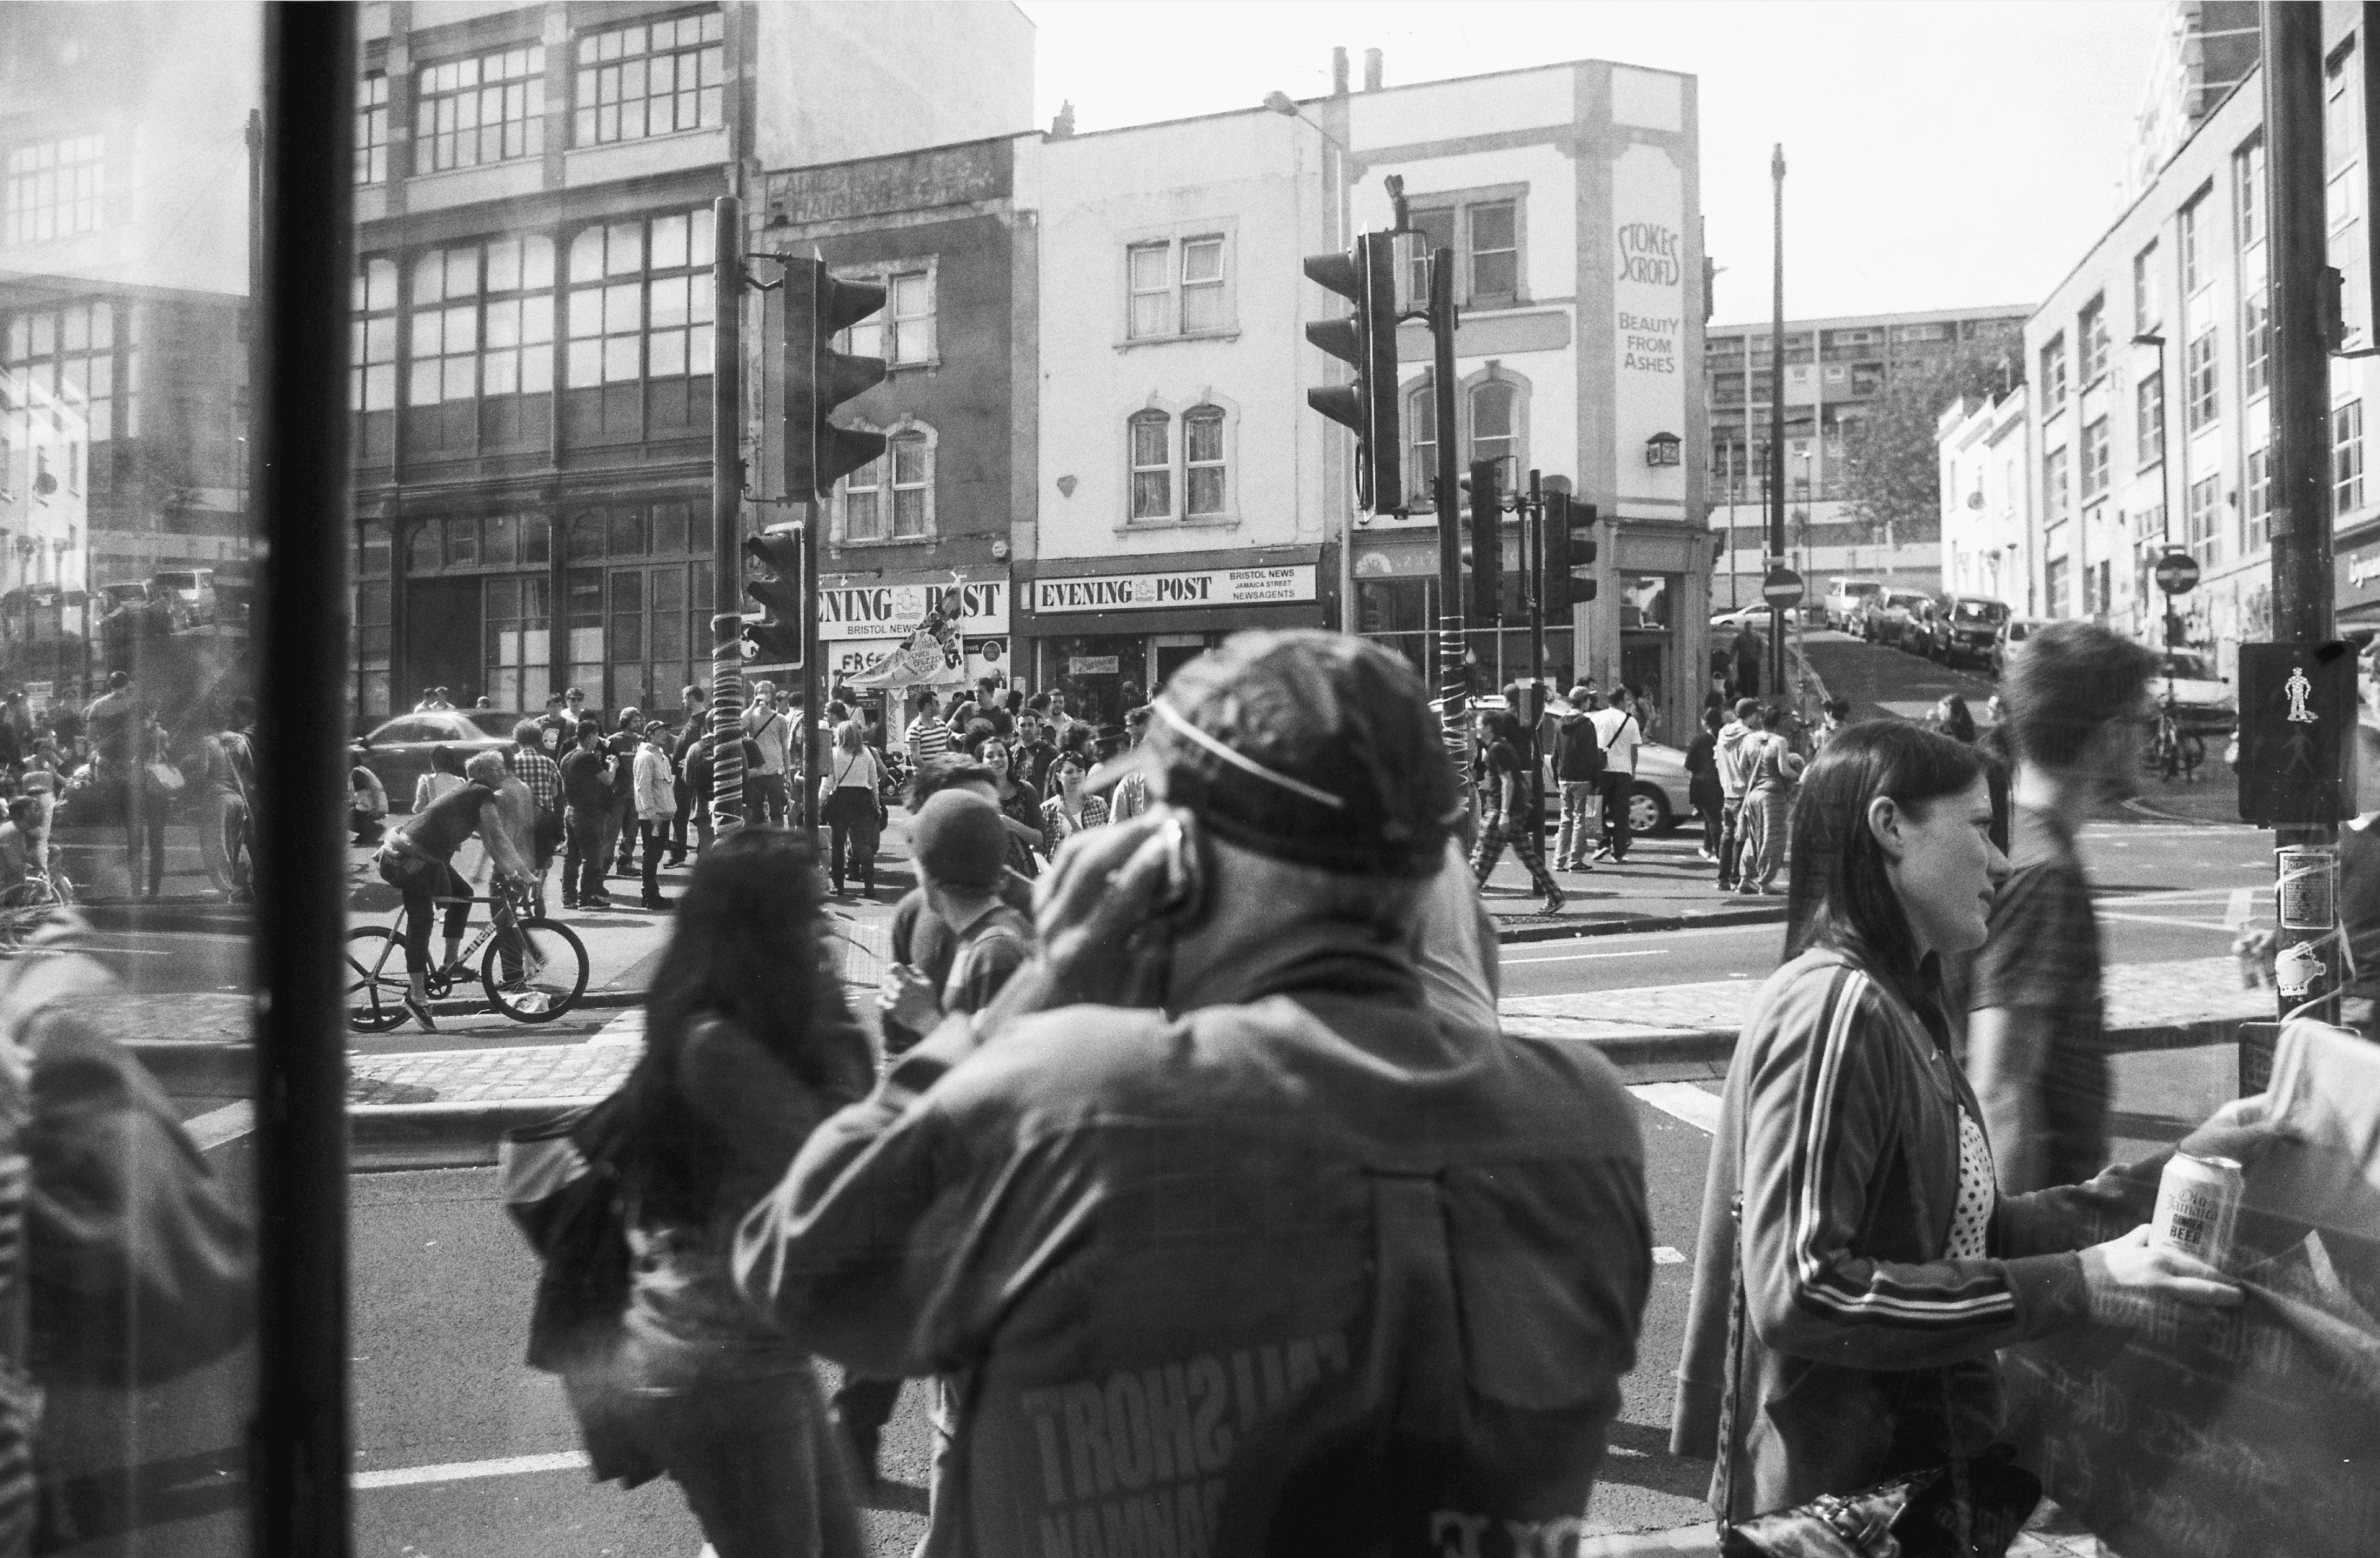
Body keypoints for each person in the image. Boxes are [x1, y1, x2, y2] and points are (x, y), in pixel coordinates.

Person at [737, 630, 1653, 1551]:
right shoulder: (1585, 1117)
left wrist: (1055, 972)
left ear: (1179, 864)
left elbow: (800, 1264)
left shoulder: (1071, 1099)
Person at [1670, 720, 2244, 1523]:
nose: (2002, 860)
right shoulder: (1836, 1009)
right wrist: (2077, 1282)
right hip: (1848, 1514)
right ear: (1890, 827)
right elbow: (1801, 1289)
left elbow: (1964, 1232)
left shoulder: (1900, 1007)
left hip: (1914, 1499)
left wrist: (2183, 1171)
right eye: (1979, 827)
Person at [609, 828, 870, 1558]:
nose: (826, 926)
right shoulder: (714, 1045)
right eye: (809, 912)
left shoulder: (746, 1028)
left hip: (758, 1347)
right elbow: (836, 1158)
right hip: (716, 1364)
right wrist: (830, 999)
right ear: (764, 929)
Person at [1965, 622, 2157, 1193]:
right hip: (2044, 1226)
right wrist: (2017, 1263)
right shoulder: (2045, 870)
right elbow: (2001, 1088)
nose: (2149, 740)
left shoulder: (2014, 837)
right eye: (2144, 722)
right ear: (2109, 736)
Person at [375, 750, 536, 1028]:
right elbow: (499, 838)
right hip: (408, 861)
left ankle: (451, 962)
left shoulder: (475, 795)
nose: (503, 773)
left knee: (464, 894)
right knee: (422, 920)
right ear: (485, 774)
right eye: (498, 769)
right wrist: (525, 873)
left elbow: (493, 845)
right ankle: (417, 996)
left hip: (425, 859)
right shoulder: (481, 793)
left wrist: (512, 872)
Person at [1470, 708, 1565, 913]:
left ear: (1488, 728)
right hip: (1513, 810)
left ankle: (1463, 904)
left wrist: (1503, 813)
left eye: (1478, 725)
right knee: (1527, 856)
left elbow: (1508, 781)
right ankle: (1555, 896)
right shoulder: (1501, 747)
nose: (1475, 729)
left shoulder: (1497, 749)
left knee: (1482, 859)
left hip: (1501, 811)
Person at [1736, 706, 1802, 896]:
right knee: (1773, 839)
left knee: (1754, 838)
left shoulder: (1749, 739)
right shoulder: (1779, 741)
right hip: (1773, 795)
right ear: (1778, 723)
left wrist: (1754, 780)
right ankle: (1765, 883)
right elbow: (1784, 771)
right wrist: (1798, 773)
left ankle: (1745, 880)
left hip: (1754, 794)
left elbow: (1742, 767)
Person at [198, 697, 257, 901]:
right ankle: (245, 884)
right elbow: (250, 769)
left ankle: (226, 890)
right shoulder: (240, 740)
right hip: (237, 798)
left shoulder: (208, 742)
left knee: (217, 843)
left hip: (217, 797)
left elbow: (203, 772)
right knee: (237, 843)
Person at [821, 719, 888, 899]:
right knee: (862, 845)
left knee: (837, 844)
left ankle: (838, 885)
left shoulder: (833, 754)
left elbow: (827, 783)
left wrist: (820, 804)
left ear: (840, 736)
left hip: (840, 800)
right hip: (862, 800)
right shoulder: (866, 754)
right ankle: (869, 885)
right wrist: (878, 806)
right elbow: (874, 783)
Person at [506, 719, 563, 916]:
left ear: (517, 739)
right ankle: (537, 897)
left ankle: (520, 900)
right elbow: (555, 792)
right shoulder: (548, 762)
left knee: (519, 859)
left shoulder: (511, 764)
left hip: (518, 819)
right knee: (543, 861)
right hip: (545, 819)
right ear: (538, 740)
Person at [559, 723, 614, 913]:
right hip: (588, 812)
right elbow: (607, 779)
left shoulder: (567, 757)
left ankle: (569, 897)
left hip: (571, 809)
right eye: (596, 737)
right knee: (593, 857)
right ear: (590, 736)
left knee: (572, 856)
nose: (597, 741)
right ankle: (587, 897)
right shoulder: (587, 757)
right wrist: (612, 766)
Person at [1551, 684, 1605, 872]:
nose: (1590, 702)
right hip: (1583, 778)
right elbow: (1592, 755)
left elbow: (1555, 753)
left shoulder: (1559, 724)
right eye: (1588, 699)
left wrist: (1558, 777)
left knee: (1565, 819)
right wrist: (1596, 780)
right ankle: (1575, 861)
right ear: (1582, 701)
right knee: (1579, 818)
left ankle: (1559, 860)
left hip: (1565, 777)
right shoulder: (1587, 724)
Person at [1714, 699, 1763, 892]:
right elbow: (1752, 765)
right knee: (1743, 837)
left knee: (1728, 835)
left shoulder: (1722, 733)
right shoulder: (1750, 737)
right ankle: (1737, 878)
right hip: (1745, 791)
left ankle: (1723, 879)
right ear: (1751, 715)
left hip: (1727, 790)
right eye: (1756, 714)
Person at [1591, 683, 1644, 863]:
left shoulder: (1597, 718)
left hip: (1601, 771)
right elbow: (1634, 749)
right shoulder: (1631, 721)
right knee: (1621, 814)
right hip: (1623, 772)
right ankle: (1618, 852)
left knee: (1596, 810)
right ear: (1621, 701)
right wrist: (1633, 770)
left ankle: (1603, 840)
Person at [633, 720, 678, 912]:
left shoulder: (662, 757)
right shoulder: (646, 757)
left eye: (666, 731)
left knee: (657, 854)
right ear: (650, 734)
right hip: (653, 815)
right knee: (651, 855)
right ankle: (651, 896)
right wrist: (651, 813)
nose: (665, 734)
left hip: (664, 812)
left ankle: (651, 894)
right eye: (660, 731)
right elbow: (643, 787)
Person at [1037, 746, 1106, 856]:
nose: (1075, 776)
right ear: (1058, 777)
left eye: (1079, 771)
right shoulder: (1047, 809)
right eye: (1069, 772)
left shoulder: (1099, 805)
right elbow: (1037, 852)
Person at [669, 684, 708, 865]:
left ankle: (690, 853)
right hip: (684, 775)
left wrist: (691, 762)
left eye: (684, 698)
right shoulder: (694, 719)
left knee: (696, 814)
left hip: (692, 776)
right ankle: (680, 853)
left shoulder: (704, 720)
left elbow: (705, 745)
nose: (683, 701)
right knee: (682, 815)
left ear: (692, 698)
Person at [744, 683, 792, 827]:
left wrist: (788, 774)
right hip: (756, 772)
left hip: (775, 771)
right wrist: (753, 705)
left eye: (766, 692)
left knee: (777, 812)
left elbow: (785, 748)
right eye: (759, 692)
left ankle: (777, 844)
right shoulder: (751, 717)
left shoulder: (780, 719)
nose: (763, 694)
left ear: (772, 695)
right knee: (756, 813)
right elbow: (739, 724)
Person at [605, 708, 645, 877]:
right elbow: (606, 765)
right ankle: (603, 866)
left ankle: (625, 864)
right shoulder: (612, 741)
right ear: (625, 721)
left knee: (631, 833)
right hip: (617, 795)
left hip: (636, 794)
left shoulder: (641, 741)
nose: (637, 724)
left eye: (639, 721)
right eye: (634, 721)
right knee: (611, 832)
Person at [1685, 706, 1725, 862]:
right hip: (1721, 782)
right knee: (1712, 816)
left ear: (1704, 722)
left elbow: (1689, 764)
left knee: (1713, 818)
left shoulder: (1700, 740)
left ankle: (1719, 853)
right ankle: (1707, 847)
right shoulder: (1724, 738)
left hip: (1702, 784)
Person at [1011, 707, 1057, 793]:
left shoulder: (1050, 751)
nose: (1027, 729)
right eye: (1022, 725)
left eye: (1031, 724)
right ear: (1017, 729)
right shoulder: (1012, 753)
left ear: (1036, 727)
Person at [413, 745, 468, 815]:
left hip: (434, 822)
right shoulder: (461, 782)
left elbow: (418, 808)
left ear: (433, 764)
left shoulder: (426, 780)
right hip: (455, 823)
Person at [350, 749, 389, 844]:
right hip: (371, 805)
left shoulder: (357, 772)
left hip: (374, 807)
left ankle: (375, 830)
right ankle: (364, 836)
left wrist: (375, 809)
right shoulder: (359, 770)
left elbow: (374, 790)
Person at [904, 690, 951, 767]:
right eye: (936, 703)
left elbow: (948, 748)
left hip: (944, 775)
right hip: (927, 777)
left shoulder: (941, 724)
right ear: (928, 706)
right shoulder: (914, 729)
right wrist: (937, 768)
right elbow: (916, 759)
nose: (939, 705)